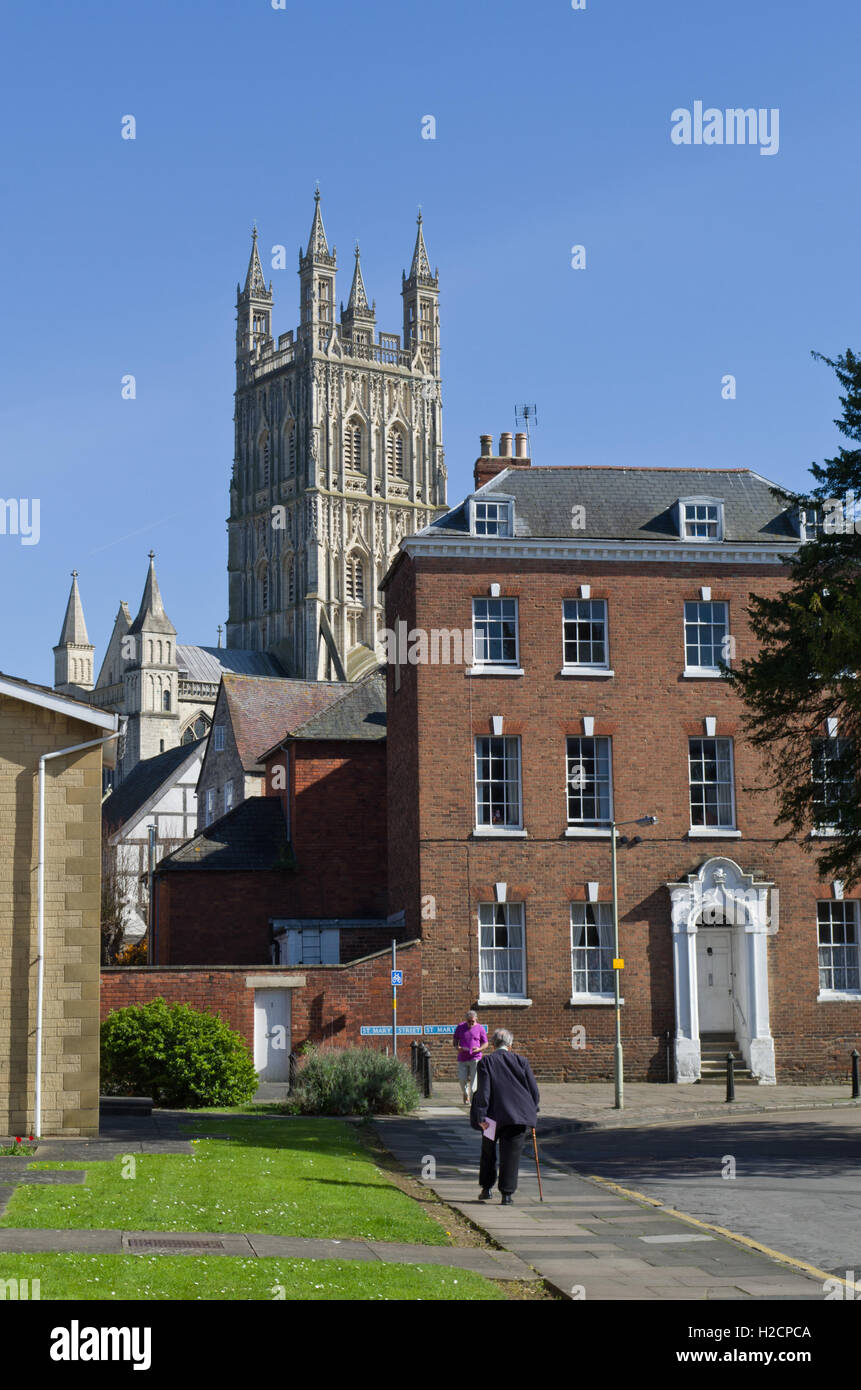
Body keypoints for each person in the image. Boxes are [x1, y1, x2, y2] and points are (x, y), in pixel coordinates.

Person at [472, 1028, 540, 1205]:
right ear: (510, 1045)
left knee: (488, 1152)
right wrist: (532, 1112)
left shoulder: (486, 1061)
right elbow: (534, 1092)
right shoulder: (522, 1061)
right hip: (517, 1117)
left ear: (493, 1044)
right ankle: (507, 1195)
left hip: (491, 1119)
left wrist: (481, 1116)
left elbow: (484, 1092)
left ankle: (486, 1189)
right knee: (511, 1155)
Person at [452, 1010, 488, 1103]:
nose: (471, 1023)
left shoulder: (480, 1028)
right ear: (466, 1020)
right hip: (462, 1057)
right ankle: (465, 1093)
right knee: (462, 1079)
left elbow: (486, 1043)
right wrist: (457, 1047)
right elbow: (455, 1040)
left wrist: (479, 1049)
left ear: (476, 1019)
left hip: (475, 1057)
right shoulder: (460, 1027)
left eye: (473, 1021)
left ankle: (473, 1102)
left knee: (474, 1082)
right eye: (469, 1021)